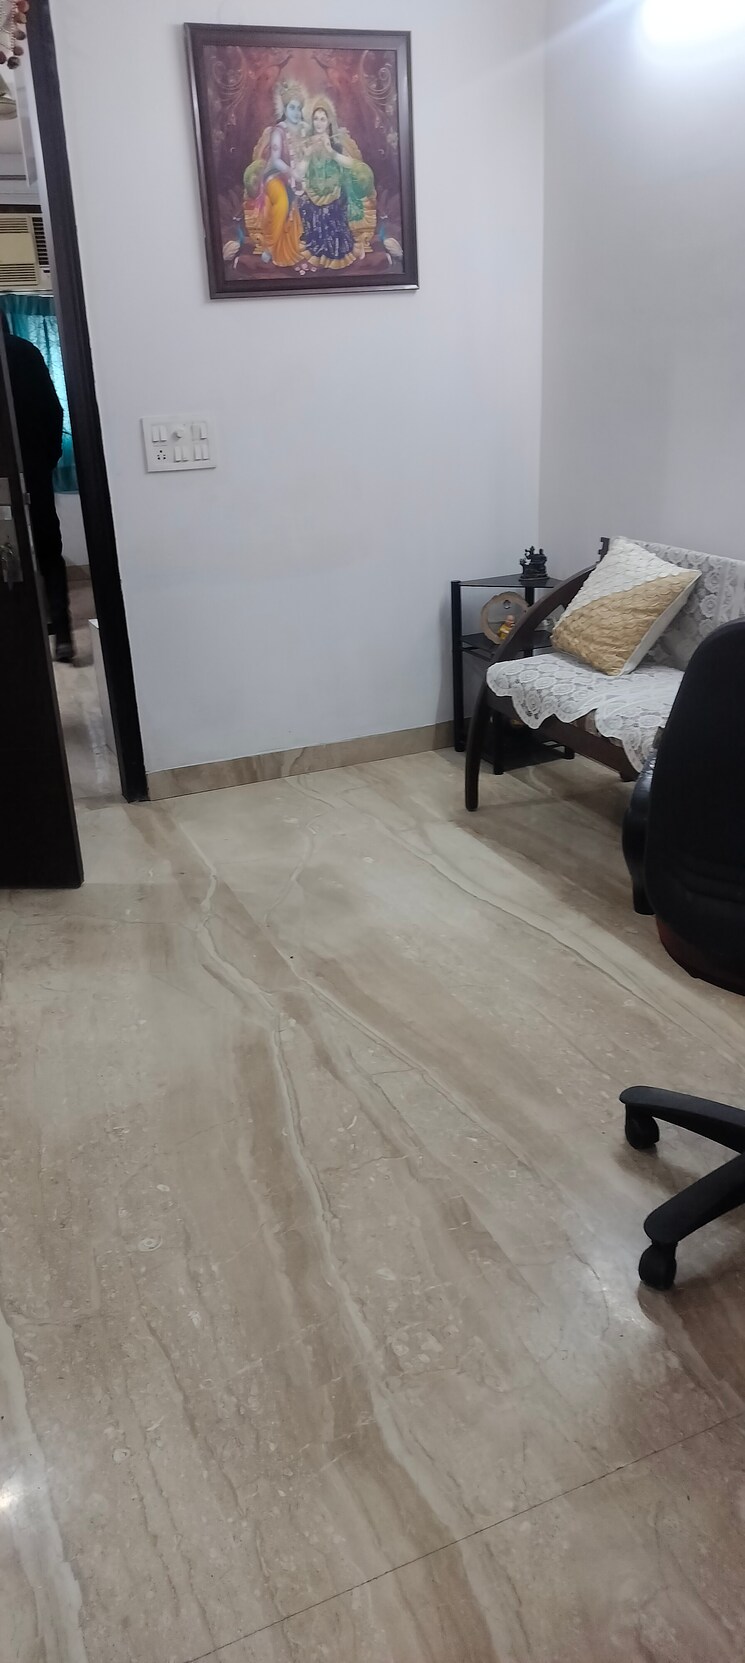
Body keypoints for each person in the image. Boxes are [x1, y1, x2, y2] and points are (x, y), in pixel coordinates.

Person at [1, 314, 73, 661]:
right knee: (48, 549)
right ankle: (62, 633)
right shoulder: (25, 350)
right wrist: (47, 459)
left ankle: (20, 636)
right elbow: (53, 410)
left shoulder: (21, 351)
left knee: (8, 550)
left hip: (13, 472)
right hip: (33, 467)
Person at [297, 98, 376, 270]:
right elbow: (299, 173)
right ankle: (316, 252)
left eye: (322, 119)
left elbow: (351, 164)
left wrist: (331, 152)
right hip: (314, 191)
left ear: (328, 122)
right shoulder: (307, 143)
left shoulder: (336, 141)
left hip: (334, 191)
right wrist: (307, 156)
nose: (319, 123)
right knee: (304, 205)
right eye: (316, 119)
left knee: (330, 211)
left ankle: (335, 252)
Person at [243, 79, 308, 268]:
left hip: (296, 178)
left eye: (298, 108)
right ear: (285, 109)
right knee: (283, 202)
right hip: (275, 176)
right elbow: (277, 160)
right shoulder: (278, 131)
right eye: (292, 108)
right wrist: (292, 173)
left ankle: (301, 245)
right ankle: (270, 246)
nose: (296, 112)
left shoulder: (304, 130)